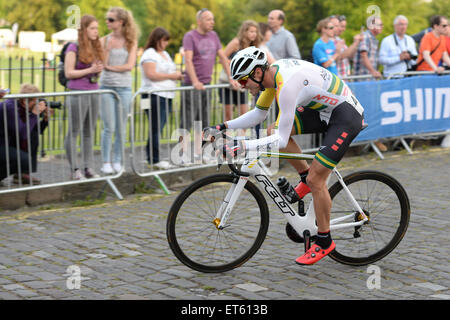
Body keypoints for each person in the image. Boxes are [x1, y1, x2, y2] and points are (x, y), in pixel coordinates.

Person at [207, 47, 365, 265]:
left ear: (257, 73)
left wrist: (242, 145)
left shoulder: (287, 85)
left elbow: (281, 141)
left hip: (345, 115)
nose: (243, 87)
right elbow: (259, 115)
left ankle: (324, 240)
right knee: (273, 130)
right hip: (323, 109)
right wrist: (222, 126)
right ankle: (304, 178)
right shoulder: (272, 78)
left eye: (244, 81)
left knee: (317, 179)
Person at [179, 8, 239, 164]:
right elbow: (189, 60)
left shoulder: (214, 36)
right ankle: (183, 155)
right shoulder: (190, 36)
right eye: (208, 19)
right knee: (187, 121)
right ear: (199, 21)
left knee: (204, 122)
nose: (212, 22)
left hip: (207, 84)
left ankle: (202, 153)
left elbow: (223, 57)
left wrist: (231, 78)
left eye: (212, 19)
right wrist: (194, 81)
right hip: (191, 86)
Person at [64, 15, 104, 180]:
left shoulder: (95, 47)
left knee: (89, 131)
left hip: (93, 90)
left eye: (96, 28)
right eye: (92, 28)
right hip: (77, 92)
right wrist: (90, 70)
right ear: (84, 29)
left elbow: (96, 69)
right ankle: (75, 169)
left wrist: (97, 70)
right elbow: (69, 72)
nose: (96, 31)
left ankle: (88, 167)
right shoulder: (73, 47)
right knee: (74, 131)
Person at [99, 7, 138, 174]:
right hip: (106, 86)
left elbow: (129, 66)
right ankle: (105, 161)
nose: (107, 22)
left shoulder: (131, 41)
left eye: (111, 19)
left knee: (121, 127)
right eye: (107, 19)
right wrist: (107, 49)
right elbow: (102, 63)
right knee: (109, 126)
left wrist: (109, 67)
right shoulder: (104, 40)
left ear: (121, 22)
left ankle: (117, 160)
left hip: (123, 88)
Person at [140, 27, 183, 170]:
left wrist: (177, 75)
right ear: (157, 39)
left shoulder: (164, 53)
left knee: (158, 127)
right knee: (156, 127)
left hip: (166, 94)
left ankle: (153, 156)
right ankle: (154, 158)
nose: (165, 44)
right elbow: (151, 74)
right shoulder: (149, 54)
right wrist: (172, 76)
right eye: (163, 40)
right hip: (154, 94)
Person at [0, 84, 50, 185]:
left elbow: (35, 131)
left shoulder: (24, 109)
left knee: (32, 138)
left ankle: (21, 174)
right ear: (24, 101)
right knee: (24, 160)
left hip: (6, 142)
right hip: (2, 143)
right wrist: (35, 114)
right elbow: (23, 134)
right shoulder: (10, 107)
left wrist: (45, 119)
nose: (36, 104)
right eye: (34, 101)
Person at [220, 20, 261, 123]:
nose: (254, 34)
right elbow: (222, 58)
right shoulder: (236, 42)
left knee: (244, 115)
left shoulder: (253, 47)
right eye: (251, 31)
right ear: (244, 32)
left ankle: (241, 139)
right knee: (228, 116)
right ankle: (227, 139)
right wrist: (235, 63)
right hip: (228, 83)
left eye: (255, 32)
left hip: (242, 84)